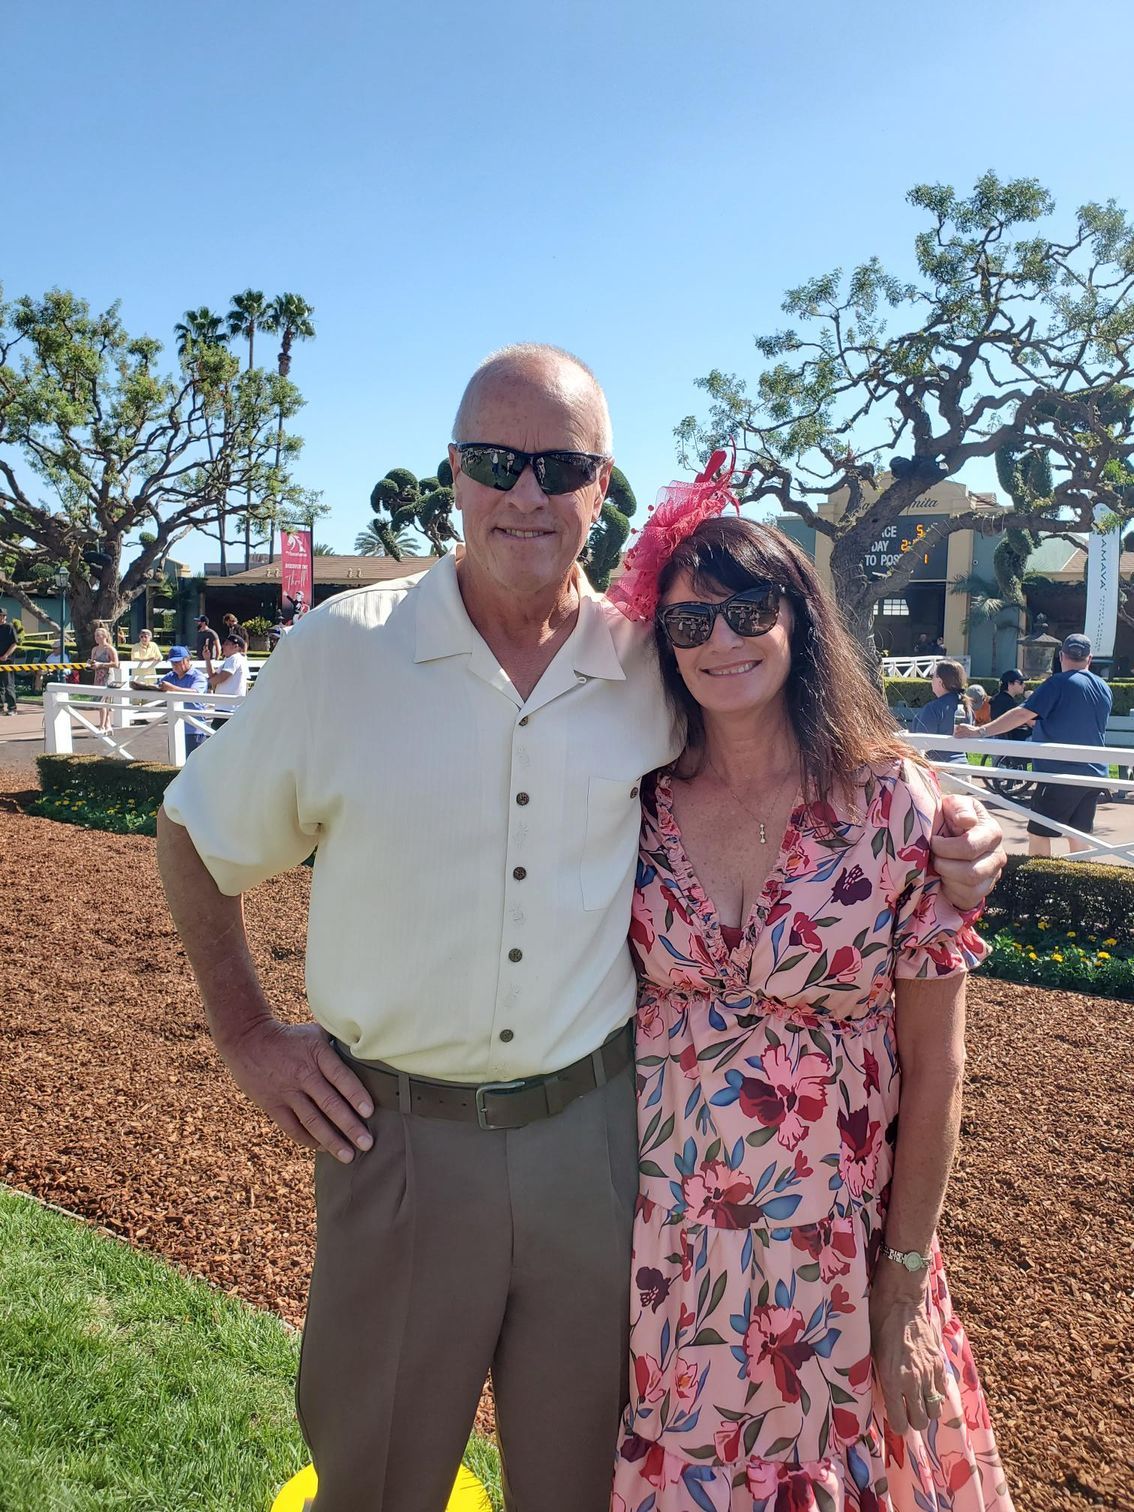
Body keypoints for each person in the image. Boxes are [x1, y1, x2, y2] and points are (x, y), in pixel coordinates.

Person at [154, 346, 1006, 1512]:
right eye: (497, 461)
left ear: (602, 488)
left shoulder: (648, 665)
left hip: (605, 1157)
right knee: (379, 1483)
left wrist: (968, 826)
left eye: (561, 465)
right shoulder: (342, 652)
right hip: (399, 1143)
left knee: (580, 1485)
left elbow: (811, 748)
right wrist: (247, 1032)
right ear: (453, 473)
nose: (526, 493)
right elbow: (192, 835)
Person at [606, 498, 1011, 1509]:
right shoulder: (634, 801)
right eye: (689, 624)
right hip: (670, 1249)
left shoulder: (893, 804)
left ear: (799, 613)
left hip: (835, 1245)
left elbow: (938, 1069)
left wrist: (903, 1278)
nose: (723, 641)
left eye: (747, 609)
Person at [970, 634, 1112, 857]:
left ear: (1062, 656)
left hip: (1059, 773)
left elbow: (1021, 714)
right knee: (1078, 835)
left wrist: (980, 731)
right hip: (1093, 774)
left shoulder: (1057, 683)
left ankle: (1039, 886)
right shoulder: (1103, 688)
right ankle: (1081, 884)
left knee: (1039, 833)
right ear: (1089, 659)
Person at [907, 659, 970, 764]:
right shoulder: (967, 707)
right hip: (964, 768)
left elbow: (922, 744)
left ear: (940, 681)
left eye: (933, 677)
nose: (931, 680)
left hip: (939, 771)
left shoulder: (933, 708)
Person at [158, 646, 210, 755]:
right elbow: (157, 686)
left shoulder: (198, 676)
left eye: (178, 662)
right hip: (176, 727)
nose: (175, 666)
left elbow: (195, 693)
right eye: (172, 663)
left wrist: (172, 688)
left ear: (187, 660)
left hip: (195, 729)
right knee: (174, 765)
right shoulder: (171, 676)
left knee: (195, 767)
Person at [205, 632, 249, 730]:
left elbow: (222, 677)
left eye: (226, 644)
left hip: (228, 707)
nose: (223, 646)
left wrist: (207, 683)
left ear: (236, 646)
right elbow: (213, 675)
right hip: (225, 706)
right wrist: (207, 659)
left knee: (218, 737)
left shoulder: (235, 658)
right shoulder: (230, 660)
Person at [90, 624, 120, 731]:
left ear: (104, 636)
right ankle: (108, 725)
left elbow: (116, 664)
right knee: (101, 702)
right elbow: (93, 663)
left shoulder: (110, 649)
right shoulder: (94, 649)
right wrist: (91, 665)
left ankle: (101, 726)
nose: (96, 638)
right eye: (95, 635)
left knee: (103, 701)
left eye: (98, 635)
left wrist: (101, 665)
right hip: (98, 676)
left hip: (107, 676)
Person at [988, 669, 1027, 734]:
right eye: (1021, 682)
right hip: (1008, 741)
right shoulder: (1007, 702)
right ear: (1010, 683)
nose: (1024, 685)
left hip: (1000, 740)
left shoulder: (997, 699)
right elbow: (1030, 721)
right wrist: (1031, 699)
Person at [0, 609, 19, 715]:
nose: (1, 618)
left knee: (8, 684)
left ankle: (12, 708)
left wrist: (6, 655)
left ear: (5, 617)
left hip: (7, 661)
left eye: (2, 616)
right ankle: (0, 707)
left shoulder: (9, 627)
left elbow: (14, 644)